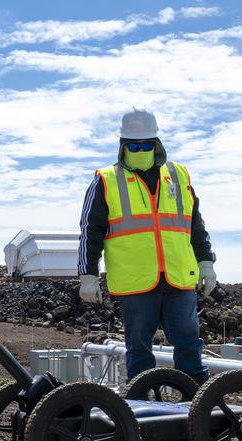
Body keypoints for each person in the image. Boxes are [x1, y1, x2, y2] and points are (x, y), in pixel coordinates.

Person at [78, 109, 217, 385]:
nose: (140, 150)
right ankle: (142, 408)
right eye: (133, 145)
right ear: (122, 145)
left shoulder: (178, 175)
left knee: (189, 344)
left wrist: (206, 262)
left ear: (156, 143)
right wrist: (88, 275)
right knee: (139, 351)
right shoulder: (106, 180)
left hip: (178, 277)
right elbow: (89, 231)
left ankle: (199, 404)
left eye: (145, 145)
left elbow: (195, 224)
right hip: (136, 281)